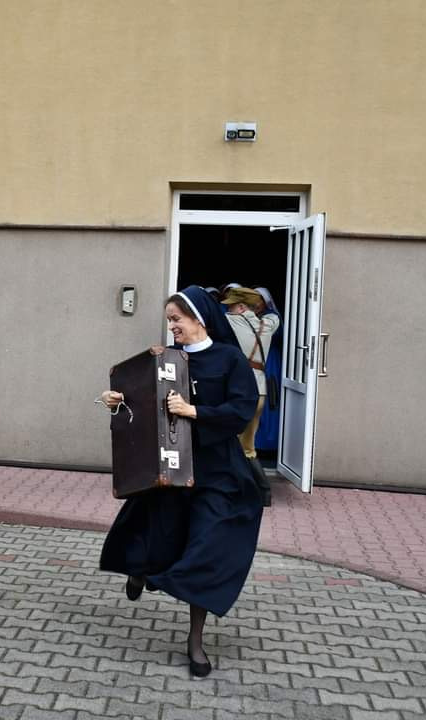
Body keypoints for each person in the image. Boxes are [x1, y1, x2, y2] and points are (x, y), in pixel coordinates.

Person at [99, 285, 263, 678]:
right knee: (158, 529)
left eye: (176, 319)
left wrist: (194, 411)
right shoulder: (166, 359)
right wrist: (116, 400)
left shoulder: (229, 359)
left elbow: (241, 410)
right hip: (172, 467)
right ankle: (140, 569)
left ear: (199, 319)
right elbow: (141, 402)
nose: (171, 326)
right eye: (169, 320)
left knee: (207, 548)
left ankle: (195, 640)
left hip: (217, 470)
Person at [221, 286, 280, 498]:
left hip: (241, 391)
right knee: (247, 446)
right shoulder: (269, 323)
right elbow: (274, 313)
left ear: (241, 307)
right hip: (260, 392)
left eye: (231, 306)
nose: (227, 309)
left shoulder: (231, 321)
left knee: (227, 442)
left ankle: (234, 491)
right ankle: (263, 492)